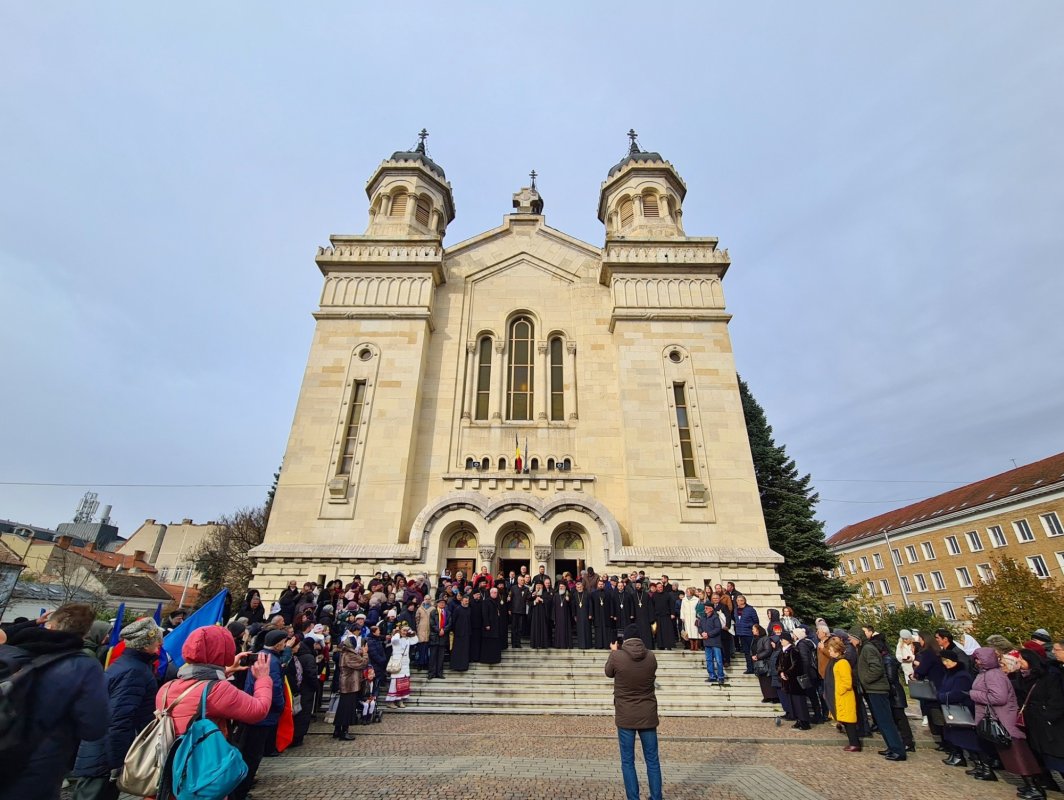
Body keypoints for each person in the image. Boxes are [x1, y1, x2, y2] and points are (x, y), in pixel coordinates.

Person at [0, 604, 109, 800]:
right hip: (39, 766)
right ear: (84, 633)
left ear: (49, 624)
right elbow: (94, 727)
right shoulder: (85, 667)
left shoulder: (7, 651)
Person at [70, 618, 163, 800]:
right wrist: (117, 762)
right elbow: (118, 719)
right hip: (104, 757)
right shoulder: (134, 672)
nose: (159, 646)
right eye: (156, 642)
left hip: (100, 751)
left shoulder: (126, 665)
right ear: (145, 645)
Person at [970, 646, 1045, 796]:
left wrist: (974, 694)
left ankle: (1034, 787)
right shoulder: (987, 673)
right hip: (995, 718)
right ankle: (1031, 785)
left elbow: (999, 697)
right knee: (1011, 753)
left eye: (979, 659)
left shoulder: (994, 675)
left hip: (1002, 719)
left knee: (1017, 753)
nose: (976, 662)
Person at [605, 624, 662, 800]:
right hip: (647, 713)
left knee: (628, 761)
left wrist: (613, 652)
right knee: (652, 760)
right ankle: (656, 796)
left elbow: (608, 673)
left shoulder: (617, 657)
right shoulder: (651, 657)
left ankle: (633, 797)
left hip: (626, 713)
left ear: (625, 639)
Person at [852, 625, 906, 761]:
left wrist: (865, 680)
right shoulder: (862, 648)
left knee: (886, 720)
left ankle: (898, 750)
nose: (850, 641)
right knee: (882, 721)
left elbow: (876, 668)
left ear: (858, 638)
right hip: (872, 689)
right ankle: (891, 747)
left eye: (852, 638)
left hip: (877, 689)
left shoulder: (868, 648)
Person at [936, 649, 982, 771]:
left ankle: (978, 762)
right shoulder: (949, 673)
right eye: (943, 661)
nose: (945, 663)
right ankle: (956, 754)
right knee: (951, 733)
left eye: (947, 661)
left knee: (964, 737)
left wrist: (941, 696)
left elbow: (959, 693)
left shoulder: (962, 675)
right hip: (950, 707)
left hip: (960, 708)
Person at [824, 636, 861, 752]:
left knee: (849, 721)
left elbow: (847, 682)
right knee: (844, 720)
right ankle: (853, 743)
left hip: (843, 696)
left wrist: (839, 691)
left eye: (830, 649)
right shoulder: (835, 662)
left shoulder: (843, 662)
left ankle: (855, 743)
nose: (829, 651)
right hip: (838, 695)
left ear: (836, 650)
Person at [332, 634, 368, 740]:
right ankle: (344, 731)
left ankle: (337, 730)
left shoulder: (345, 653)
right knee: (347, 709)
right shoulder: (349, 655)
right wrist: (365, 653)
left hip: (347, 684)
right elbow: (363, 663)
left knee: (342, 709)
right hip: (349, 685)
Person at [385, 623, 416, 708]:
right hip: (397, 662)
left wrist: (410, 631)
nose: (405, 632)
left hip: (405, 663)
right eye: (404, 630)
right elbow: (394, 640)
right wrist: (398, 632)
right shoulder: (396, 639)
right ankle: (390, 701)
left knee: (403, 682)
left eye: (406, 631)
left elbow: (415, 640)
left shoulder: (407, 639)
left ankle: (400, 700)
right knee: (395, 683)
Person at [696, 600, 724, 686]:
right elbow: (699, 627)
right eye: (705, 608)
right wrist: (702, 633)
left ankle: (720, 677)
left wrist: (708, 634)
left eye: (707, 608)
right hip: (707, 642)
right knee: (709, 660)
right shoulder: (703, 617)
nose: (705, 609)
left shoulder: (715, 617)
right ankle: (712, 676)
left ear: (711, 609)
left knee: (718, 660)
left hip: (715, 642)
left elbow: (718, 628)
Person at [733, 595, 759, 673]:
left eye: (740, 600)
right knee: (746, 652)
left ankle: (756, 667)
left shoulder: (750, 609)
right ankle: (749, 668)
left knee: (753, 651)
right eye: (737, 600)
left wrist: (751, 627)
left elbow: (756, 621)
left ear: (744, 601)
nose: (738, 602)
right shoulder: (735, 610)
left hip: (749, 633)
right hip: (741, 633)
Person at [428, 597, 451, 679]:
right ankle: (431, 673)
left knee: (441, 657)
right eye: (440, 602)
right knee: (433, 656)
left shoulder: (447, 613)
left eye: (443, 603)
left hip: (443, 636)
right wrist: (439, 630)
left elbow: (449, 623)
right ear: (437, 604)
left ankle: (439, 673)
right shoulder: (433, 612)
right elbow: (432, 624)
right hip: (434, 636)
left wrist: (444, 630)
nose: (442, 604)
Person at [592, 577, 617, 650]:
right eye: (599, 584)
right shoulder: (593, 594)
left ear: (604, 585)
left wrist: (612, 614)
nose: (600, 585)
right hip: (597, 615)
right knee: (598, 630)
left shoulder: (608, 593)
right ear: (597, 585)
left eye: (602, 584)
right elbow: (592, 605)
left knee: (607, 630)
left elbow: (611, 604)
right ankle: (599, 645)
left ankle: (606, 645)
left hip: (606, 615)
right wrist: (591, 614)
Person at [480, 587, 504, 664]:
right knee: (489, 643)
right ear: (490, 593)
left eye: (496, 593)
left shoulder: (498, 601)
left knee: (495, 643)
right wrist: (487, 624)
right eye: (494, 592)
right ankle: (487, 659)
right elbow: (484, 613)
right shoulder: (486, 601)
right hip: (489, 625)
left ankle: (495, 659)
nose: (495, 594)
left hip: (496, 625)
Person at [450, 594, 473, 671]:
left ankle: (464, 666)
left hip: (467, 634)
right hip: (458, 634)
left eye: (467, 601)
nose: (467, 602)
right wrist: (455, 630)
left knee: (465, 651)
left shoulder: (469, 609)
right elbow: (453, 621)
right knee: (457, 650)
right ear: (461, 601)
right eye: (465, 601)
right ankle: (456, 666)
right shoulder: (457, 609)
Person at [510, 575, 530, 648]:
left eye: (523, 580)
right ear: (518, 581)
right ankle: (513, 643)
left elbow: (529, 597)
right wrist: (509, 609)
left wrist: (533, 595)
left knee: (520, 628)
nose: (523, 581)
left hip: (522, 611)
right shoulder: (513, 588)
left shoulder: (526, 589)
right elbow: (510, 598)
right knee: (514, 628)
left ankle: (518, 643)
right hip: (514, 611)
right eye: (521, 580)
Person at [572, 579, 594, 649]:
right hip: (578, 615)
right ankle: (581, 645)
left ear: (583, 586)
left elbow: (590, 604)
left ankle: (588, 645)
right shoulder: (575, 595)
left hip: (586, 614)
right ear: (576, 588)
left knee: (587, 629)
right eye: (578, 587)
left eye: (580, 587)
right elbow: (573, 606)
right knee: (580, 630)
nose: (579, 588)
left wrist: (590, 614)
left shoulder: (587, 593)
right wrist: (574, 615)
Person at [553, 582, 573, 649]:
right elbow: (553, 607)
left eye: (563, 586)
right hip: (558, 617)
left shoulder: (568, 595)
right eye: (560, 586)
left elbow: (572, 606)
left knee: (566, 629)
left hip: (566, 617)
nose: (561, 587)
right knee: (558, 630)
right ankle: (558, 644)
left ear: (565, 587)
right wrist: (554, 617)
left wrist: (569, 601)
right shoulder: (556, 595)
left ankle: (566, 644)